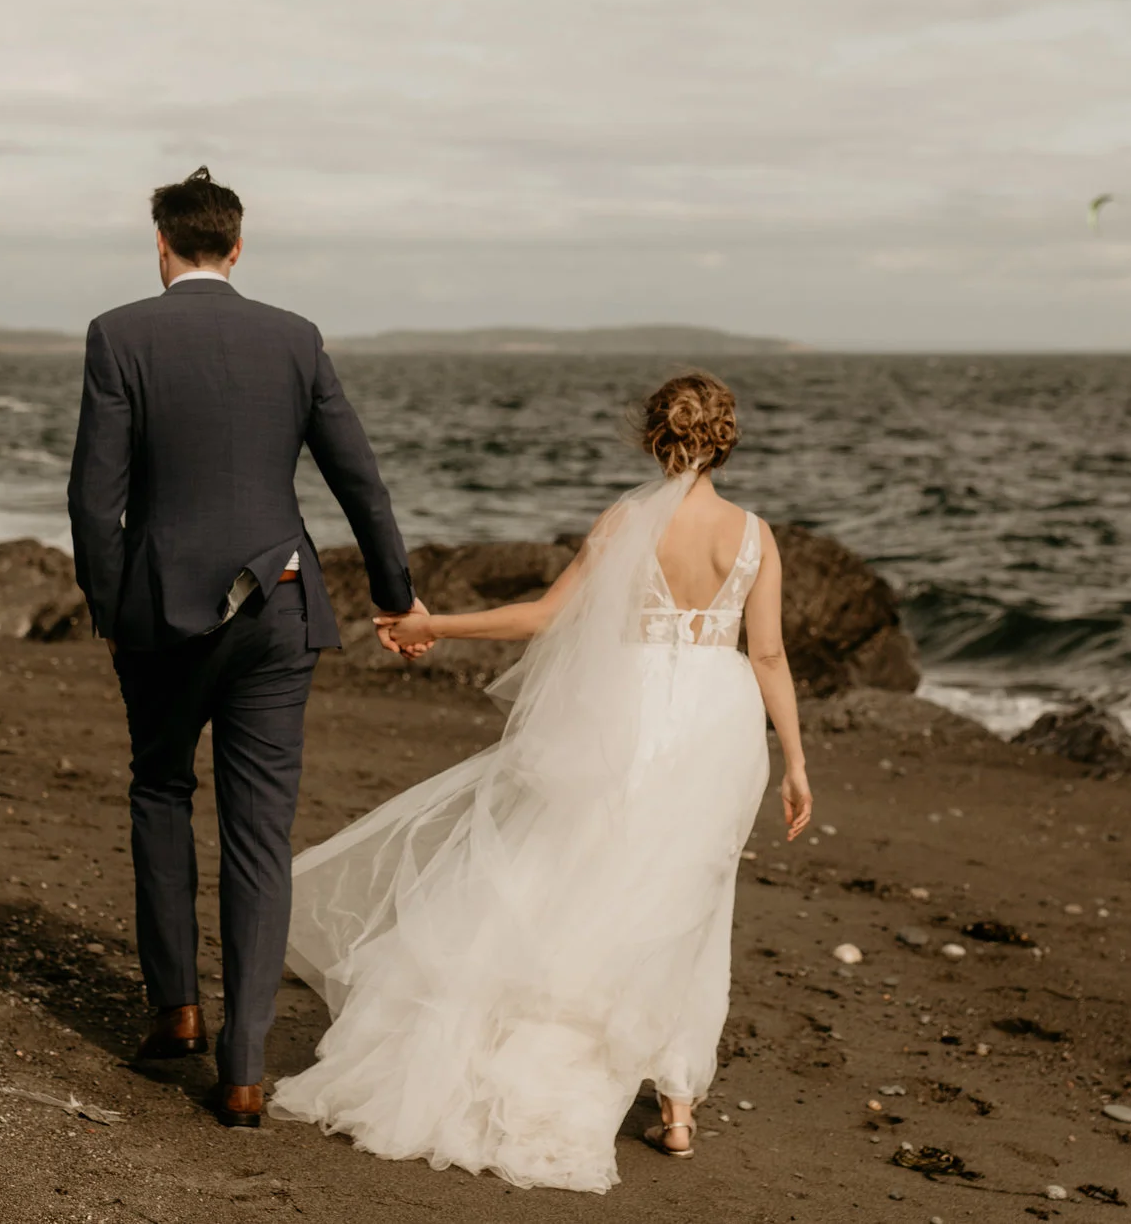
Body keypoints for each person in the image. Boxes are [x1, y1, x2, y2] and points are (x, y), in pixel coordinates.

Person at [269, 371, 814, 1191]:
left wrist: (433, 623)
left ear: (653, 435)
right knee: (692, 900)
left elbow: (545, 614)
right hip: (717, 718)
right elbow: (766, 653)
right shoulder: (754, 534)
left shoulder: (627, 521)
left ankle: (553, 1044)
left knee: (588, 875)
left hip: (631, 709)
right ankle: (676, 1105)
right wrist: (798, 761)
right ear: (725, 440)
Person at [67, 166, 427, 1130]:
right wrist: (398, 596)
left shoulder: (120, 334)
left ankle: (176, 1008)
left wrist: (111, 606)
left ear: (160, 245)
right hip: (279, 604)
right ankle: (244, 1065)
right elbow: (362, 481)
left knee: (159, 790)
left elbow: (94, 497)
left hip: (160, 615)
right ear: (236, 246)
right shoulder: (294, 337)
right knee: (260, 831)